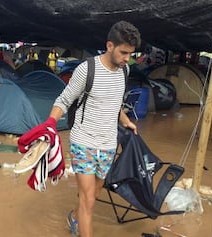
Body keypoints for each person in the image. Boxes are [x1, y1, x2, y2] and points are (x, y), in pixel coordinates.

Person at [38, 21, 141, 237]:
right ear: (110, 45)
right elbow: (64, 100)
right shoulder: (87, 69)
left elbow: (114, 103)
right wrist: (50, 124)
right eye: (123, 53)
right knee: (89, 201)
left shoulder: (125, 71)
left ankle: (74, 217)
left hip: (108, 144)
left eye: (130, 54)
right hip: (83, 141)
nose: (126, 59)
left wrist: (125, 120)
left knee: (93, 193)